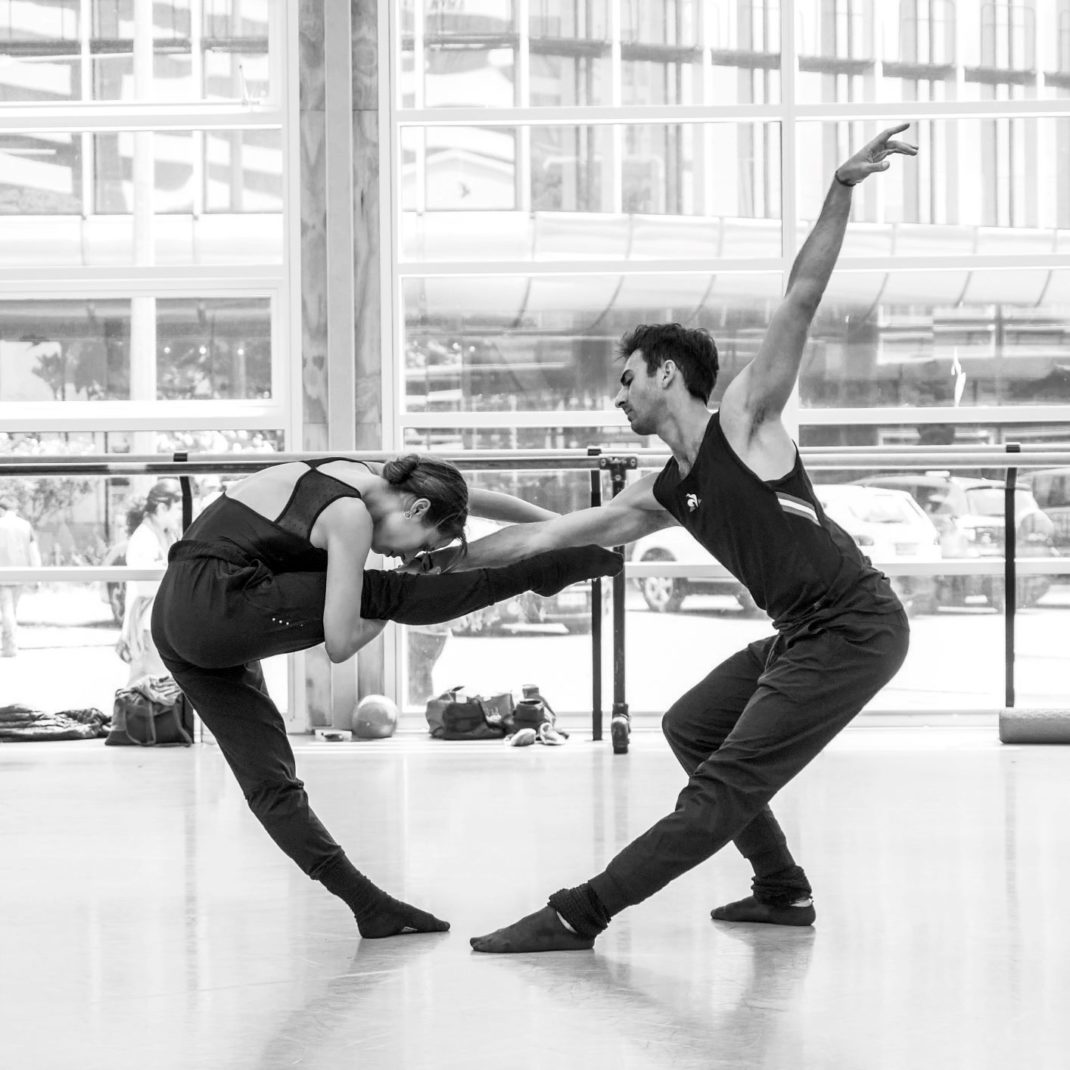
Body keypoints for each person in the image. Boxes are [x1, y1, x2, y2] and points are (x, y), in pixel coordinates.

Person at [437, 125, 918, 952]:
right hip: (803, 634)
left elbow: (800, 298)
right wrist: (437, 560)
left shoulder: (746, 419)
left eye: (625, 380)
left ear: (666, 372)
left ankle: (576, 913)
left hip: (856, 627)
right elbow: (545, 538)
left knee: (720, 789)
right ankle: (782, 890)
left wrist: (839, 190)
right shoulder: (660, 489)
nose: (617, 400)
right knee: (694, 727)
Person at [150, 453, 620, 939]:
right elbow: (340, 642)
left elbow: (471, 498)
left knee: (272, 782)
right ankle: (539, 573)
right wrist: (396, 594)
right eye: (423, 547)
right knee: (381, 591)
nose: (409, 558)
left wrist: (570, 526)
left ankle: (369, 907)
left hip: (177, 616)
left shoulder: (372, 472)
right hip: (218, 603)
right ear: (416, 510)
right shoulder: (350, 515)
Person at [117, 480, 182, 682]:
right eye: (178, 508)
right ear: (163, 508)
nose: (181, 514)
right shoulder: (143, 538)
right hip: (147, 625)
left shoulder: (167, 534)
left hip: (159, 623)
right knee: (149, 688)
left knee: (155, 688)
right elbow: (146, 585)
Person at [0, 493, 42, 658]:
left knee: (7, 610)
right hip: (20, 573)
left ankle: (10, 646)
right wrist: (37, 577)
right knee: (11, 610)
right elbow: (33, 552)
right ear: (15, 509)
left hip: (1, 574)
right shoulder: (25, 525)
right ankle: (10, 643)